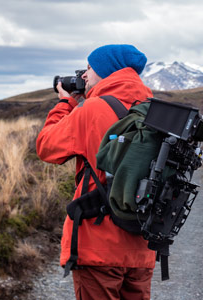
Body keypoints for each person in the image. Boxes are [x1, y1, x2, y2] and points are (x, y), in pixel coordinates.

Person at [36, 44, 156, 300]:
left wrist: (66, 104)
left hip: (99, 244)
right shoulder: (154, 110)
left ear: (104, 70)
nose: (84, 76)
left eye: (89, 68)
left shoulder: (90, 110)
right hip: (142, 246)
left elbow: (46, 147)